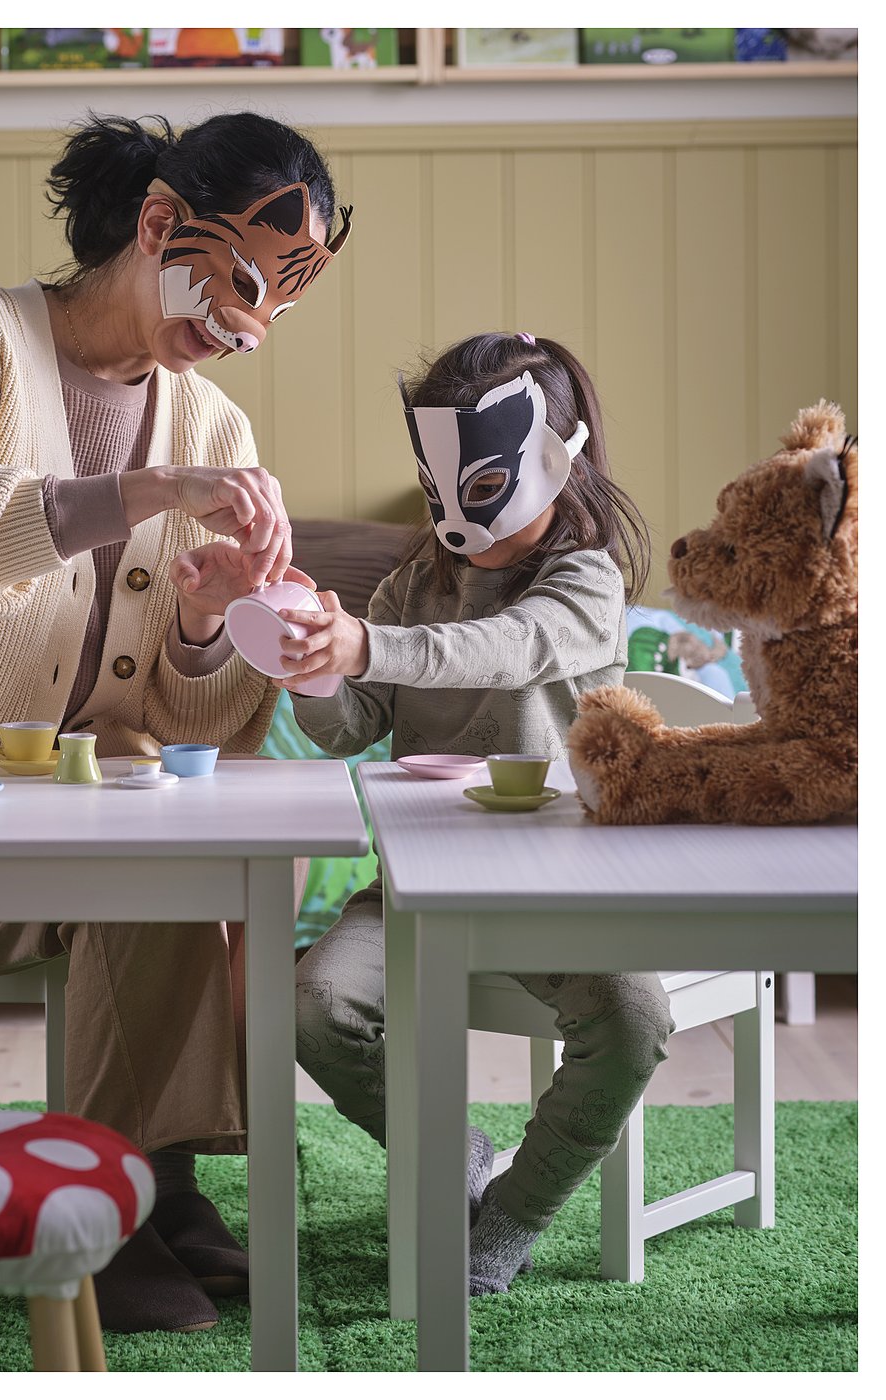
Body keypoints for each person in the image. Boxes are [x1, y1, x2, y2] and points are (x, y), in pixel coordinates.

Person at [0, 111, 351, 1333]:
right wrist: (143, 493)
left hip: (84, 828)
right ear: (161, 223)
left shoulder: (212, 423)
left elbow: (194, 716)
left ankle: (146, 1175)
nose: (248, 332)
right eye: (244, 285)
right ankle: (113, 1195)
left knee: (163, 831)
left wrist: (214, 621)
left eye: (281, 306)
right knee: (139, 842)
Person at [282, 332, 674, 1296]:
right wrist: (307, 666)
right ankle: (457, 1150)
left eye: (487, 484)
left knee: (632, 1019)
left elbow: (505, 649)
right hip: (419, 883)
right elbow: (347, 729)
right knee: (316, 1007)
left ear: (553, 458)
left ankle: (512, 1212)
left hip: (561, 885)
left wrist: (370, 645)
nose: (457, 520)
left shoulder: (586, 583)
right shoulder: (413, 583)